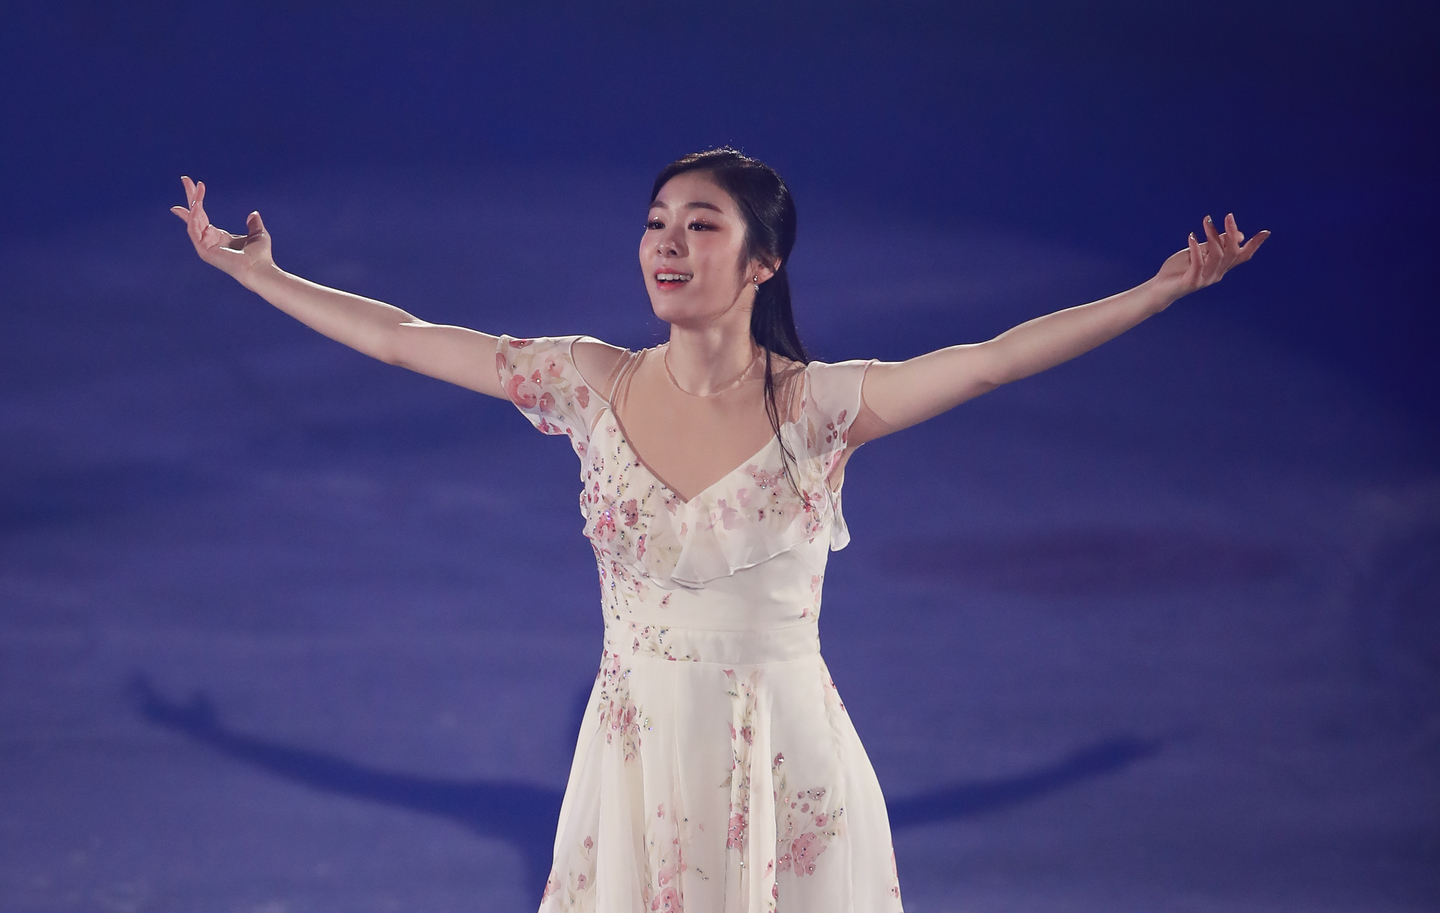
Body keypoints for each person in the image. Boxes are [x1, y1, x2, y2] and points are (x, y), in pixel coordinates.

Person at [172, 147, 1267, 911]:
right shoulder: (587, 383)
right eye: (657, 222)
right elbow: (403, 337)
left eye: (701, 226)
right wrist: (259, 275)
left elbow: (991, 361)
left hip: (784, 757)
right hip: (634, 763)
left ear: (762, 261)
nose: (668, 243)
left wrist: (1156, 291)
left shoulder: (820, 408)